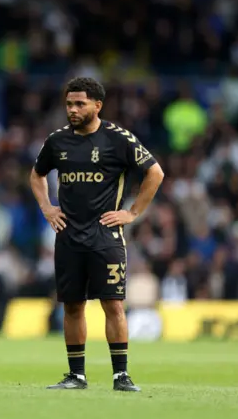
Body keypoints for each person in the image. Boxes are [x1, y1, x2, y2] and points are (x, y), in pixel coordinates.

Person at [30, 77, 164, 391]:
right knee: (73, 305)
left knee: (113, 305)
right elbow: (36, 175)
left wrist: (132, 213)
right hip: (68, 236)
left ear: (97, 105)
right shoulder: (57, 141)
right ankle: (76, 375)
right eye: (69, 104)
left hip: (106, 237)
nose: (72, 110)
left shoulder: (118, 139)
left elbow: (155, 172)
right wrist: (47, 208)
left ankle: (121, 375)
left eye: (80, 104)